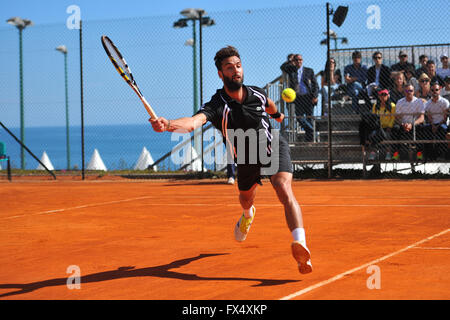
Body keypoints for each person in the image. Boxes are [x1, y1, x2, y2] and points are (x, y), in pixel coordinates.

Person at [151, 46, 313, 274]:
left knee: (283, 188)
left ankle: (301, 244)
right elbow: (193, 122)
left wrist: (276, 115)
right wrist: (167, 124)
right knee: (246, 199)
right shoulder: (218, 105)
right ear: (221, 74)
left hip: (273, 146)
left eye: (238, 65)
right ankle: (248, 215)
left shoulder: (256, 93)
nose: (236, 70)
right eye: (229, 68)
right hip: (246, 158)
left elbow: (269, 104)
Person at [280, 54, 319, 141]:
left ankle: (309, 138)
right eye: (296, 60)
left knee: (309, 118)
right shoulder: (291, 70)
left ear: (302, 60)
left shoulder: (309, 71)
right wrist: (290, 61)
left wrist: (315, 96)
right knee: (299, 118)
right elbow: (282, 67)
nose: (299, 61)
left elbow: (315, 85)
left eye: (300, 60)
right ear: (294, 61)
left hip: (308, 97)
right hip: (298, 98)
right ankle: (312, 131)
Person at [394, 83, 426, 160]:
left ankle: (419, 154)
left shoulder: (418, 101)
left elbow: (422, 118)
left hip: (415, 124)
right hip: (403, 124)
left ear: (414, 91)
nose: (409, 92)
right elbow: (397, 118)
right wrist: (403, 124)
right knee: (395, 129)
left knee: (422, 129)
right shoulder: (400, 102)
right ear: (404, 92)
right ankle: (396, 154)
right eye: (407, 91)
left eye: (411, 90)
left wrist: (412, 124)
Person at [365, 89, 397, 161]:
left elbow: (393, 117)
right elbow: (373, 117)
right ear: (378, 96)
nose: (383, 97)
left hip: (387, 127)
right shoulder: (376, 106)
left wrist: (389, 126)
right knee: (373, 135)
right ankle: (373, 152)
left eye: (385, 95)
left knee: (387, 135)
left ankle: (388, 153)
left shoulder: (392, 106)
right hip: (378, 127)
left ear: (388, 96)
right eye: (381, 95)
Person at [424, 82, 449, 160]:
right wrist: (433, 125)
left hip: (442, 123)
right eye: (432, 90)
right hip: (432, 124)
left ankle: (441, 155)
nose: (434, 92)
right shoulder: (428, 103)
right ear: (430, 91)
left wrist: (437, 126)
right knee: (425, 129)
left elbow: (445, 118)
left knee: (442, 130)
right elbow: (429, 117)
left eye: (436, 90)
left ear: (439, 90)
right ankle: (429, 156)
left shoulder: (444, 102)